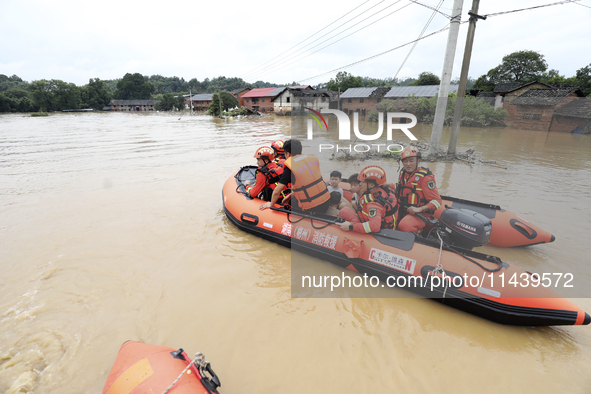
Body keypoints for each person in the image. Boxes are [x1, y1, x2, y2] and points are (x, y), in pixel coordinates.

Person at [260, 139, 330, 214]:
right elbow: (309, 183)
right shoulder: (312, 159)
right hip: (327, 201)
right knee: (292, 198)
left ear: (288, 154)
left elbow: (277, 191)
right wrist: (292, 195)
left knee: (290, 202)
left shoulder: (290, 167)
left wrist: (271, 204)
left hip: (314, 208)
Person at [395, 145, 442, 234]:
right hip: (403, 209)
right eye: (405, 161)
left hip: (420, 214)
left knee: (405, 226)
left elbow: (437, 201)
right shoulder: (403, 173)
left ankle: (420, 233)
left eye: (411, 160)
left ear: (418, 161)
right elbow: (401, 188)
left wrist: (419, 209)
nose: (408, 164)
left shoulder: (425, 177)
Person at [338, 165, 398, 233]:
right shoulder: (385, 190)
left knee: (344, 211)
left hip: (376, 232)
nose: (360, 184)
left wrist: (350, 226)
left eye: (362, 182)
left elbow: (374, 226)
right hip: (381, 223)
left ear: (372, 185)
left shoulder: (374, 204)